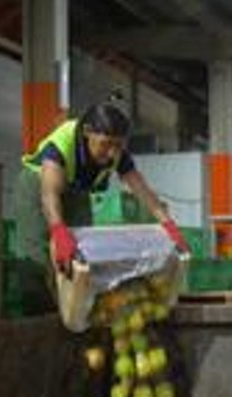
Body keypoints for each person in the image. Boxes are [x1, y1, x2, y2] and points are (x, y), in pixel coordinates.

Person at [15, 102, 189, 313]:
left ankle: (75, 313)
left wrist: (168, 225)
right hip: (39, 187)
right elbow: (49, 195)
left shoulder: (116, 152)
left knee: (83, 252)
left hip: (76, 190)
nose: (111, 153)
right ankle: (39, 314)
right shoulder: (62, 143)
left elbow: (140, 187)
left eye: (118, 145)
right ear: (88, 132)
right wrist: (59, 231)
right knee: (38, 254)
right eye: (106, 144)